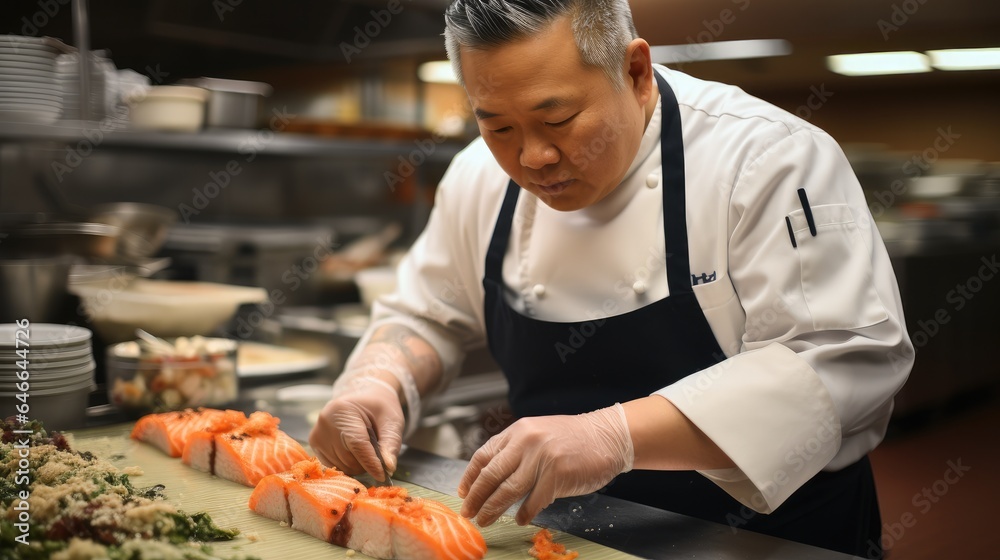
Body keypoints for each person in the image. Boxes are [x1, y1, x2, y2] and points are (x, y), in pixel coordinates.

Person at [309, 0, 913, 557]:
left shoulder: (767, 159)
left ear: (636, 70)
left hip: (771, 539)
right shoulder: (476, 179)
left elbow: (844, 356)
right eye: (498, 127)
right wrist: (376, 383)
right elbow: (427, 314)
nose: (532, 158)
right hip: (563, 535)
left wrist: (613, 435)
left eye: (560, 118)